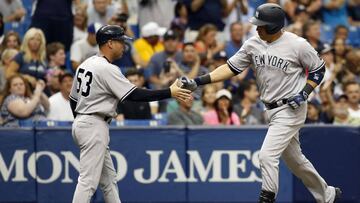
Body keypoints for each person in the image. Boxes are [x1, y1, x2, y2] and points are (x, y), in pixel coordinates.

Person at [179, 3, 341, 202]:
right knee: (295, 161)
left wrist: (305, 92)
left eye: (261, 25)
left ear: (273, 27)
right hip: (270, 108)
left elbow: (318, 69)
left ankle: (267, 197)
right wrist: (198, 81)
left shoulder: (297, 44)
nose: (257, 28)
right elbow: (231, 68)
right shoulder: (253, 43)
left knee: (266, 155)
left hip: (291, 107)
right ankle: (327, 194)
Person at [69, 25, 191, 203]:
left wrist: (82, 121)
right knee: (88, 182)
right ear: (110, 43)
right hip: (93, 125)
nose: (124, 46)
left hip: (85, 122)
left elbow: (73, 100)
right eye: (120, 41)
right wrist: (169, 92)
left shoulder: (86, 64)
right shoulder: (106, 68)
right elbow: (135, 94)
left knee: (109, 180)